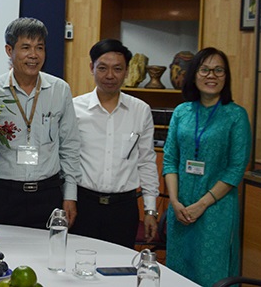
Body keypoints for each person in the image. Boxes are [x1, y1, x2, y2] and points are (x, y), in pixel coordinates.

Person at [0, 17, 81, 229]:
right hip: (4, 195)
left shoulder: (60, 90)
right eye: (25, 47)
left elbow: (70, 146)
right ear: (8, 50)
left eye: (39, 47)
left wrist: (70, 195)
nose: (33, 55)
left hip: (48, 194)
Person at [162, 47, 251, 286]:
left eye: (218, 70)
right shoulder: (182, 112)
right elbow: (170, 159)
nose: (211, 75)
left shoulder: (236, 116)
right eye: (205, 69)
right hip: (180, 208)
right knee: (178, 272)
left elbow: (235, 169)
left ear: (226, 76)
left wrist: (201, 205)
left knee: (211, 273)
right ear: (194, 74)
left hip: (215, 210)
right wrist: (175, 202)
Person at [70, 39, 159, 248]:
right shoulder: (75, 108)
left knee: (118, 271)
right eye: (102, 68)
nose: (110, 75)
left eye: (117, 69)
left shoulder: (140, 110)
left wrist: (150, 210)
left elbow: (146, 161)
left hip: (123, 208)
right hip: (83, 205)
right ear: (92, 68)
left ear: (127, 71)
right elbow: (67, 158)